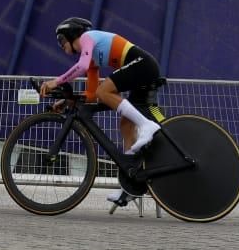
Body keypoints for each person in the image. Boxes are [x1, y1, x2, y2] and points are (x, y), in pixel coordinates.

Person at [41, 18, 163, 209]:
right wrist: (67, 101)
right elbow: (91, 94)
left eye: (62, 41)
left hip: (143, 65)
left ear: (72, 35)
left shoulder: (87, 37)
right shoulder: (92, 60)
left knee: (104, 91)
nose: (62, 46)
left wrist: (55, 82)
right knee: (125, 123)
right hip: (141, 70)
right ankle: (130, 182)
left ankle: (147, 125)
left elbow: (82, 70)